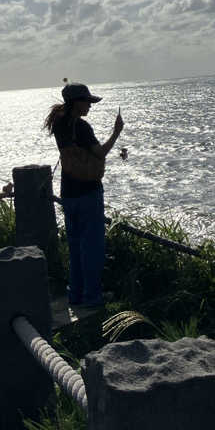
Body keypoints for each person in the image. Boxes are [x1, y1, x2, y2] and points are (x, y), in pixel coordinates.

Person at [44, 83, 124, 308]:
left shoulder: (60, 124)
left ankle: (75, 294)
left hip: (68, 192)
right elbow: (100, 153)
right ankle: (92, 298)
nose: (90, 105)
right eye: (87, 101)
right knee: (93, 247)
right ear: (76, 102)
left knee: (76, 246)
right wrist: (116, 132)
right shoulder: (82, 127)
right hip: (88, 192)